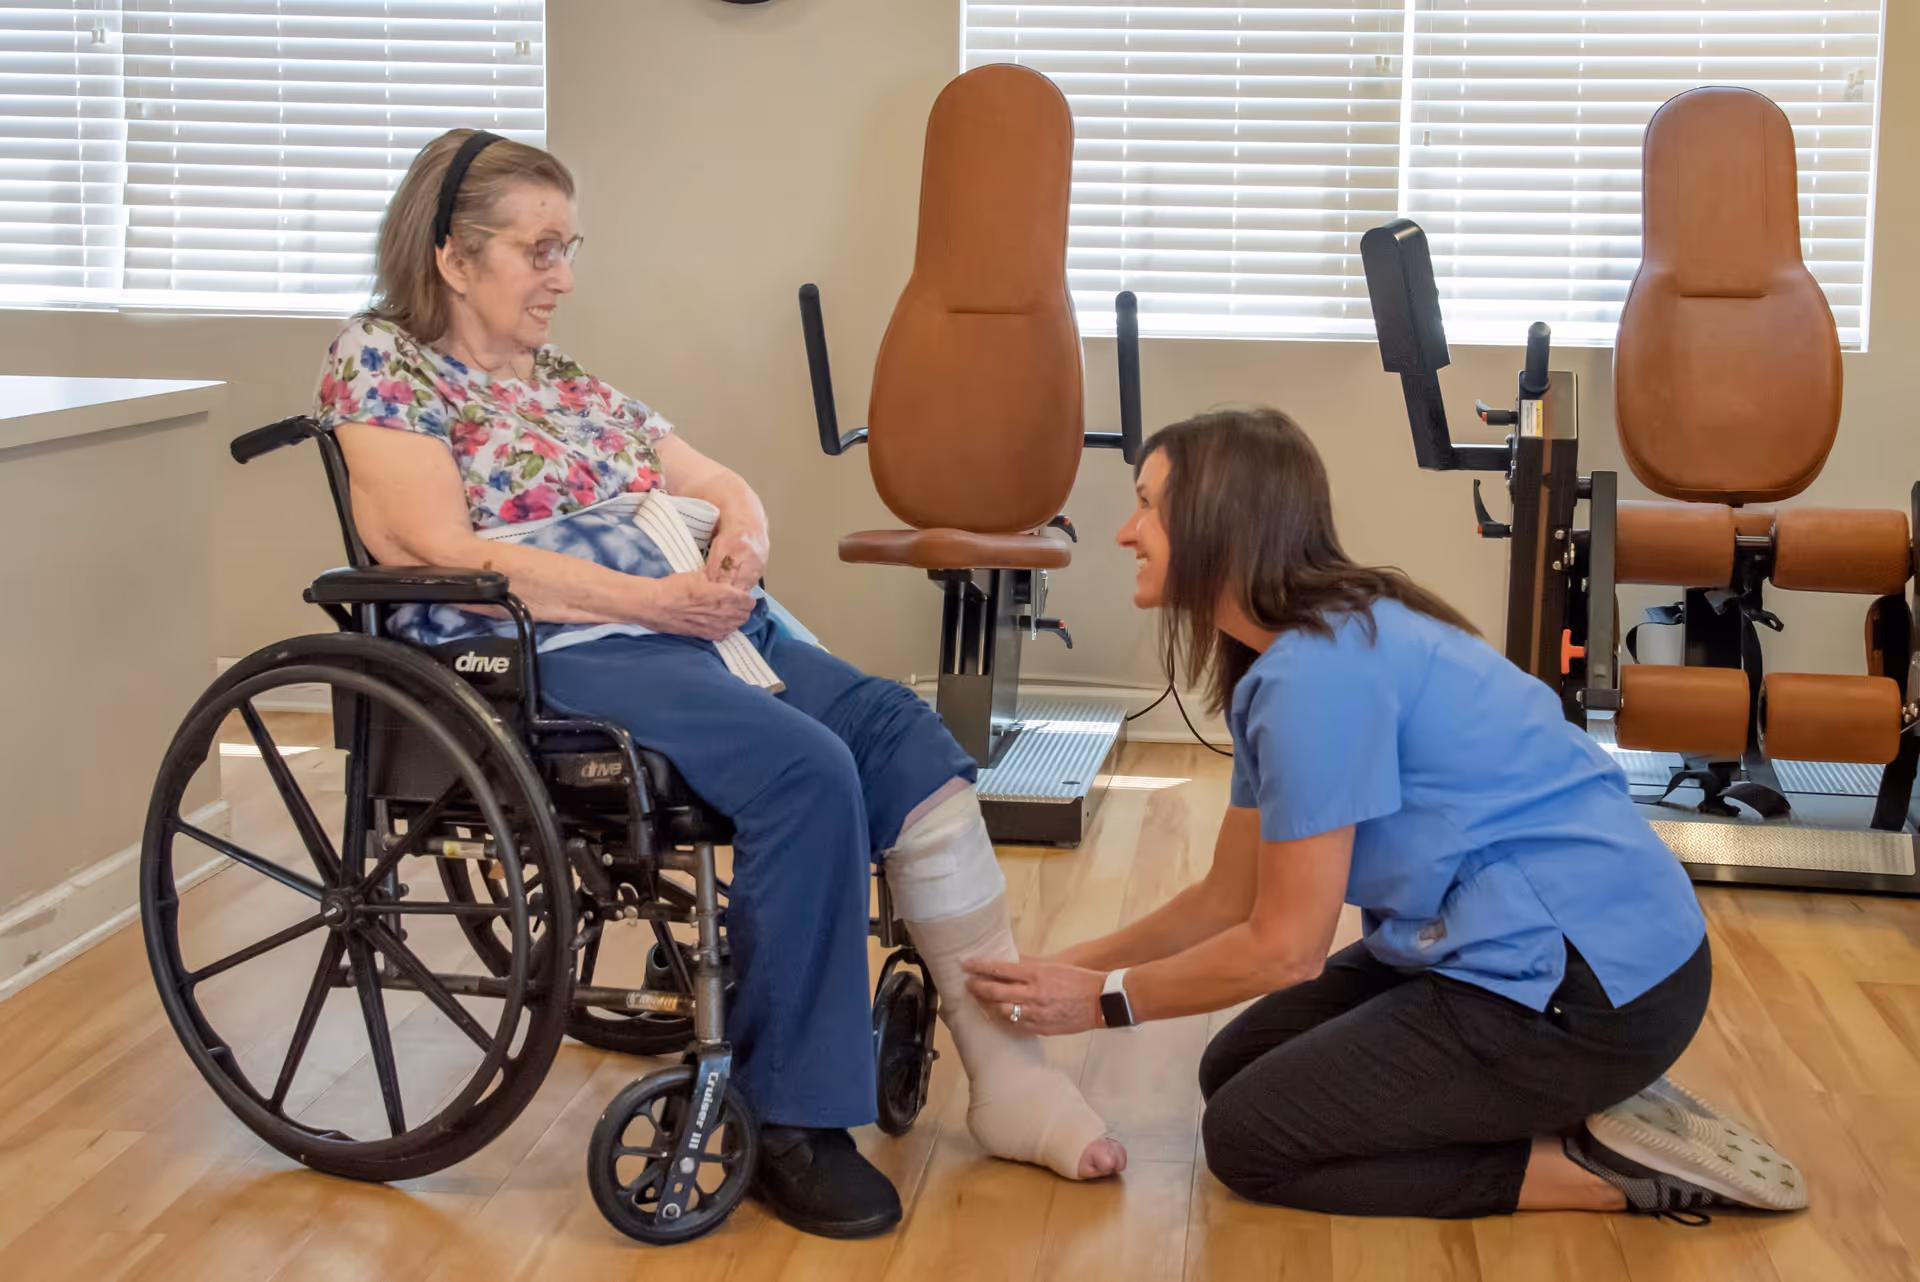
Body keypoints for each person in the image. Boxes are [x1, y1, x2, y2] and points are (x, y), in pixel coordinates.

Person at [313, 129, 1124, 1239]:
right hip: (549, 651)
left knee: (896, 730)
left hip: (691, 621)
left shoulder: (565, 383)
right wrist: (649, 600)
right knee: (804, 770)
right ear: (453, 258)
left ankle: (1007, 1070)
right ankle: (790, 1117)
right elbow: (429, 542)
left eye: (570, 247)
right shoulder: (384, 364)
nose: (563, 274)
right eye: (539, 249)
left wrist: (738, 535)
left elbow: (711, 479)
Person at [965, 408, 1808, 1223]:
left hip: (1593, 988)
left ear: (1218, 522)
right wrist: (1066, 971)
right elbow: (1230, 896)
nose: (1125, 532)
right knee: (1236, 1066)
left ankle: (1598, 1168)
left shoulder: (1312, 681)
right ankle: (1573, 1102)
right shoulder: (1308, 647)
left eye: (1147, 506)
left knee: (1249, 1140)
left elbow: (1287, 949)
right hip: (1544, 950)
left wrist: (1106, 1004)